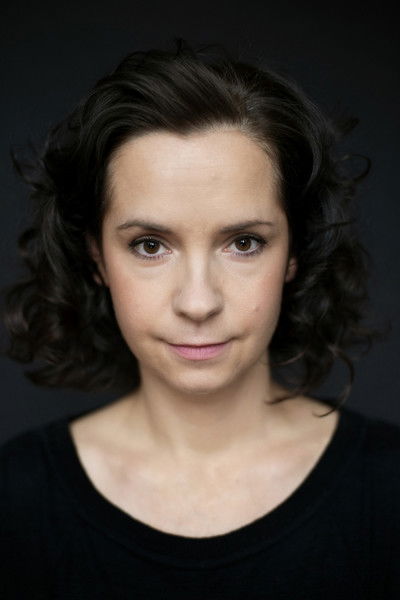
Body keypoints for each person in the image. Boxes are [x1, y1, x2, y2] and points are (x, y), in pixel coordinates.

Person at [0, 38, 399, 599]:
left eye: (244, 242)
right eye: (149, 245)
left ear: (294, 253)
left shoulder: (388, 488)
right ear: (97, 258)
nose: (197, 302)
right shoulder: (15, 499)